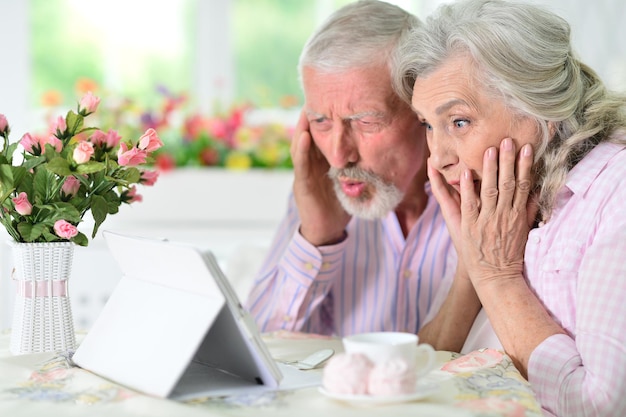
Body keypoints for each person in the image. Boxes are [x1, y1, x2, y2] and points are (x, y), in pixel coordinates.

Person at [392, 0, 626, 415]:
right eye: (428, 125)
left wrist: (497, 276)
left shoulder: (615, 191)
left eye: (458, 122)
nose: (439, 156)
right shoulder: (495, 198)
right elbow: (423, 371)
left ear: (539, 108)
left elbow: (600, 407)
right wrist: (473, 261)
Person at [244, 0, 460, 338]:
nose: (338, 156)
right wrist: (316, 239)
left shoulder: (480, 202)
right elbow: (256, 349)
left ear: (423, 113)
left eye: (366, 121)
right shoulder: (319, 195)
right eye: (320, 121)